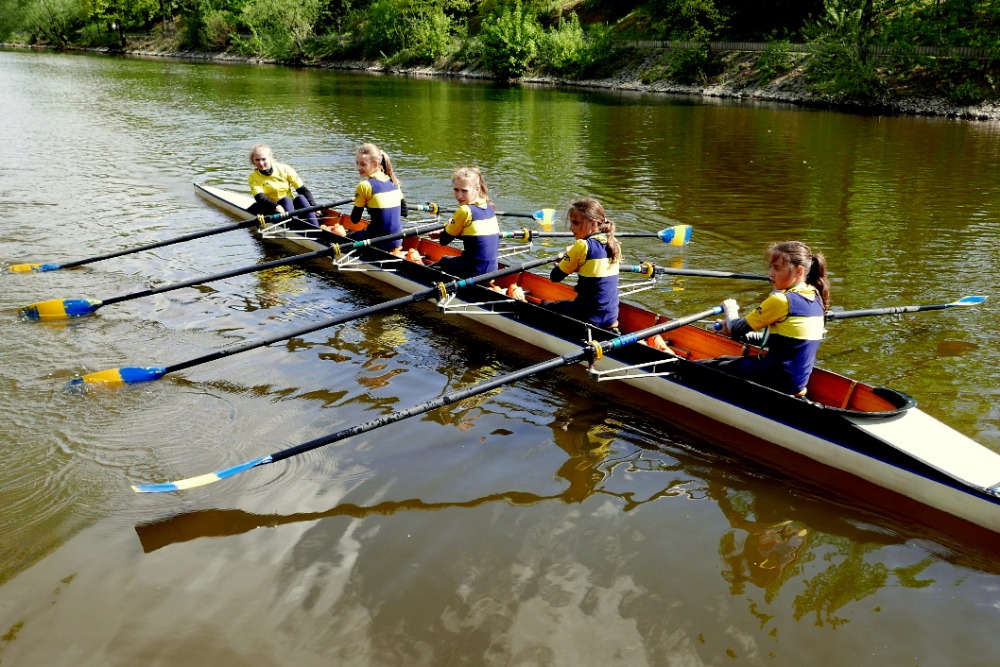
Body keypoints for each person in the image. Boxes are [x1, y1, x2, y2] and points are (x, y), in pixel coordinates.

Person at [703, 240, 830, 396]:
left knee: (701, 368)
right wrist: (732, 331)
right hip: (795, 380)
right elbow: (778, 342)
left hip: (777, 377)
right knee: (723, 360)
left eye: (777, 268)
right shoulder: (815, 296)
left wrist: (731, 311)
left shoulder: (781, 301)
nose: (771, 274)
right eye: (770, 267)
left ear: (798, 271)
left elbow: (736, 328)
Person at [543, 197, 621, 330]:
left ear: (593, 223)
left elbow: (555, 277)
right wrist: (575, 262)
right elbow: (594, 270)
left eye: (575, 223)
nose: (571, 227)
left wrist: (566, 257)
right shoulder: (614, 244)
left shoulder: (582, 246)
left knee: (545, 306)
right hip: (611, 315)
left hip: (588, 316)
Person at [433, 167, 500, 278]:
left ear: (477, 189)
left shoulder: (465, 210)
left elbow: (443, 241)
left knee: (437, 266)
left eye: (464, 191)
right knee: (447, 260)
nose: (459, 196)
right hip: (493, 270)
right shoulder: (489, 207)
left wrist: (448, 225)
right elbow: (475, 238)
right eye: (456, 190)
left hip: (474, 271)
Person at [341, 142, 408, 252]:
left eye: (363, 164)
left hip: (378, 241)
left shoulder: (365, 186)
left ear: (375, 164)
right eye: (357, 163)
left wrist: (361, 201)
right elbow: (404, 212)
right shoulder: (394, 182)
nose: (358, 168)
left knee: (345, 238)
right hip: (397, 240)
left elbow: (355, 219)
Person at [247, 144, 318, 226]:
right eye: (257, 160)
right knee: (286, 200)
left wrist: (314, 206)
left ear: (270, 157)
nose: (261, 163)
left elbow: (303, 190)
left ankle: (315, 226)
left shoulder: (285, 169)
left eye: (264, 159)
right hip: (272, 208)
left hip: (290, 207)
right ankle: (294, 226)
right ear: (253, 161)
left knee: (300, 198)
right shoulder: (253, 177)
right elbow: (260, 198)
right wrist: (276, 206)